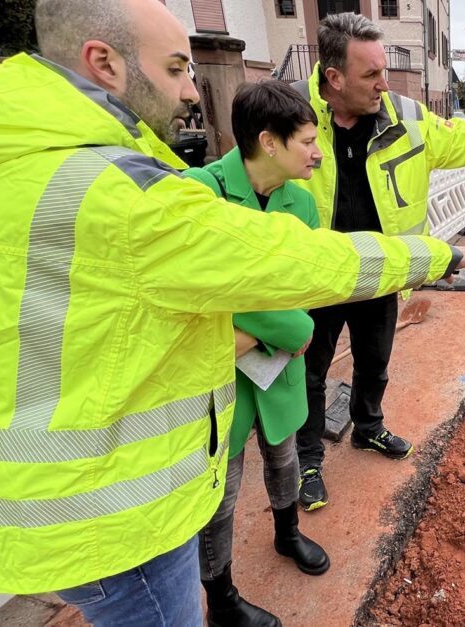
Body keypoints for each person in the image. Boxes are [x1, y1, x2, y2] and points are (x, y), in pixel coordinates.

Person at [0, 0, 465, 627]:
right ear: (103, 63)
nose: (190, 89)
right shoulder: (118, 192)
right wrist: (438, 253)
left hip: (28, 501)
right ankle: (228, 592)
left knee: (282, 458)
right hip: (109, 513)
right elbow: (289, 262)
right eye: (178, 67)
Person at [290, 13, 465, 511]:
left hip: (384, 269)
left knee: (375, 362)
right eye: (371, 75)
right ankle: (308, 459)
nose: (384, 83)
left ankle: (368, 428)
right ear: (333, 78)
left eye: (384, 69)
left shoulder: (403, 114)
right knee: (310, 374)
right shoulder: (293, 112)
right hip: (317, 274)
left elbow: (461, 139)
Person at [182, 80, 330, 627]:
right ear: (269, 142)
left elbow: (307, 289)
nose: (318, 152)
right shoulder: (202, 190)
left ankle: (287, 532)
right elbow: (196, 292)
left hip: (276, 368)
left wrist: (263, 325)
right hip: (217, 379)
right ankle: (220, 598)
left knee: (284, 456)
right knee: (219, 492)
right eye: (308, 141)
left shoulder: (302, 201)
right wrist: (286, 329)